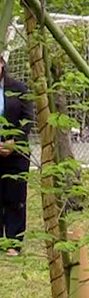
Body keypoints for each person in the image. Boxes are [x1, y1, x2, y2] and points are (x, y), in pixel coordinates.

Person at [0, 56, 34, 256]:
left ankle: (14, 242)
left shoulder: (19, 88)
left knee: (15, 197)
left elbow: (27, 119)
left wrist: (14, 142)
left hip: (16, 152)